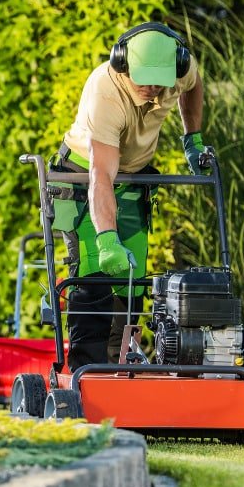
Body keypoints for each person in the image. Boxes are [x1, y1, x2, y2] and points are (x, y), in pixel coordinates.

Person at [50, 21, 209, 372]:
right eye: (144, 80)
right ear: (122, 63)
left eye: (160, 81)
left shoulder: (180, 70)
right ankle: (85, 377)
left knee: (132, 287)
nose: (153, 88)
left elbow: (194, 84)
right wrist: (107, 238)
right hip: (83, 182)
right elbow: (101, 175)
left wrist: (192, 138)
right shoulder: (104, 91)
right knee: (94, 281)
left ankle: (123, 372)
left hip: (134, 181)